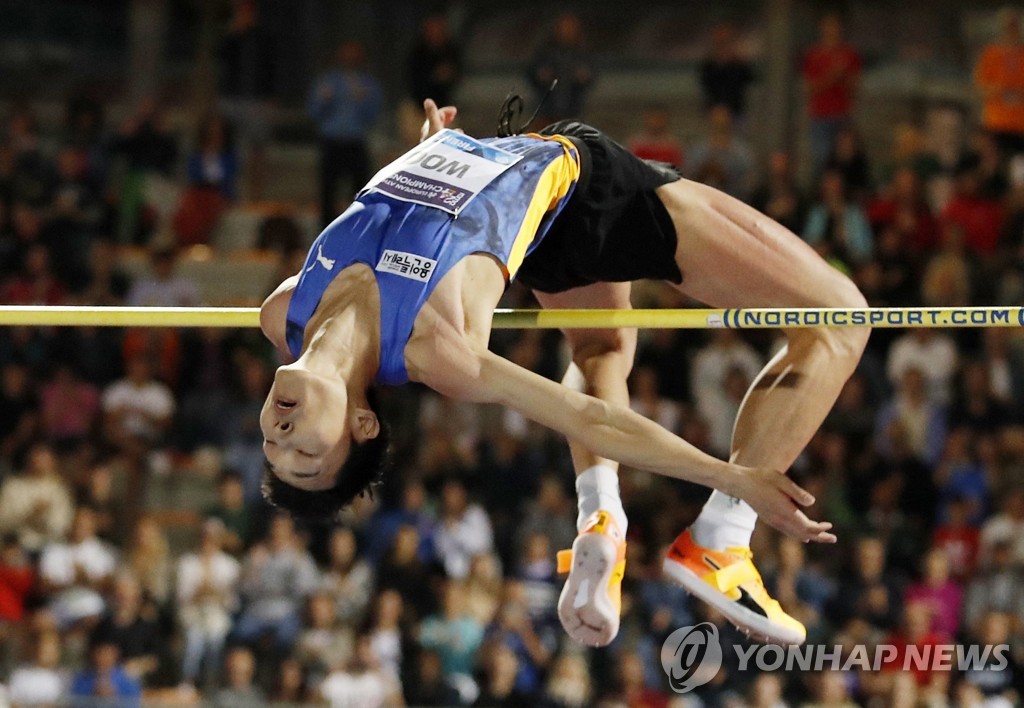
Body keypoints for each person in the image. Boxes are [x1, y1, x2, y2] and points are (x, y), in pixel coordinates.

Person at [258, 98, 870, 647]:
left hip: (539, 221)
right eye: (307, 457)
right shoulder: (435, 348)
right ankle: (724, 533)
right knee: (842, 316)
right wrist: (737, 479)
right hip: (588, 187)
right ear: (363, 423)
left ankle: (601, 518)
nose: (281, 440)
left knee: (601, 352)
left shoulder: (285, 310)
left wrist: (432, 148)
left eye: (271, 447)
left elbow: (403, 217)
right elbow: (591, 419)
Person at [308, 40, 383, 227]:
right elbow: (313, 111)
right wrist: (325, 99)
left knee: (360, 191)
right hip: (331, 141)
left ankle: (358, 229)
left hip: (355, 141)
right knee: (328, 191)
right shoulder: (328, 81)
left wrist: (362, 101)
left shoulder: (367, 83)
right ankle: (325, 231)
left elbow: (373, 114)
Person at [801, 14, 863, 177]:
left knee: (845, 161)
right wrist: (833, 75)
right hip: (820, 117)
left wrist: (843, 77)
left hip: (842, 115)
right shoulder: (814, 55)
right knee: (821, 161)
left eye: (834, 25)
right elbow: (809, 88)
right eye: (828, 25)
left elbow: (855, 87)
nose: (831, 30)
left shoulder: (849, 55)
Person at [974, 8, 1024, 157]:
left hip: (1020, 124)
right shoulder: (991, 54)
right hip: (996, 122)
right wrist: (1000, 90)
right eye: (1007, 26)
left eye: (1013, 26)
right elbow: (981, 88)